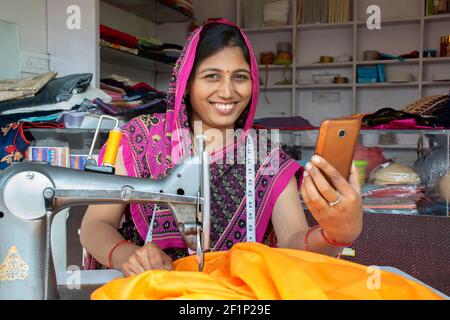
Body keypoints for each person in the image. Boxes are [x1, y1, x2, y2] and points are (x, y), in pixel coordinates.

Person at [80, 19, 363, 277]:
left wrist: (336, 234)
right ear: (187, 82)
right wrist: (126, 254)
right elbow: (95, 225)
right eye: (212, 76)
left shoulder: (266, 157)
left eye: (240, 76)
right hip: (149, 290)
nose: (228, 91)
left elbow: (293, 244)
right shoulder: (140, 136)